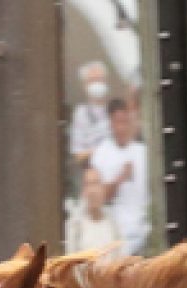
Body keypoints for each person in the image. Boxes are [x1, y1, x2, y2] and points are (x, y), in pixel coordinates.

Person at [89, 99, 151, 255]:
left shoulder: (143, 152)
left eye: (125, 122)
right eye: (117, 122)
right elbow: (100, 198)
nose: (121, 128)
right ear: (110, 124)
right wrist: (119, 179)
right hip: (115, 234)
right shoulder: (101, 154)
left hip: (144, 231)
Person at [66, 166, 123, 254]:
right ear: (83, 191)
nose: (92, 191)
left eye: (96, 183)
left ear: (103, 189)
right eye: (88, 185)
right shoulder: (75, 225)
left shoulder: (113, 224)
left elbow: (121, 258)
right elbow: (70, 262)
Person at [67, 61, 112, 170]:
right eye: (93, 80)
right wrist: (103, 150)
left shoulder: (114, 109)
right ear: (85, 85)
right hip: (94, 174)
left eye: (99, 79)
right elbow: (78, 155)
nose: (97, 84)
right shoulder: (81, 114)